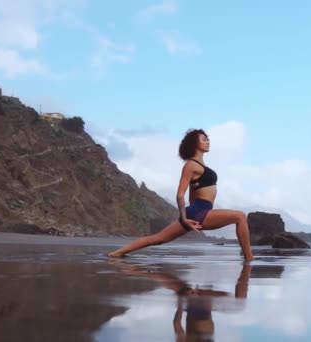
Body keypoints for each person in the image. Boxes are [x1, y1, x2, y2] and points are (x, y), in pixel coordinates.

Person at [107, 128, 254, 261]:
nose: (208, 141)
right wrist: (185, 218)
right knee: (240, 216)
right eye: (204, 139)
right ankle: (249, 258)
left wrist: (191, 213)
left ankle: (118, 253)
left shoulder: (200, 166)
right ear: (194, 144)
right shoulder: (190, 165)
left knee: (158, 239)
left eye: (208, 138)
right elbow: (179, 195)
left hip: (198, 211)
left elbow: (192, 194)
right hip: (199, 212)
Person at [111, 260, 251, 341]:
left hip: (202, 318)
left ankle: (134, 270)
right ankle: (134, 270)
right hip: (199, 316)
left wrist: (181, 304)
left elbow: (178, 324)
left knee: (237, 303)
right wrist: (181, 305)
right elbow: (177, 323)